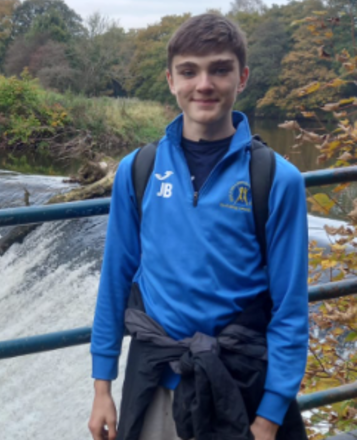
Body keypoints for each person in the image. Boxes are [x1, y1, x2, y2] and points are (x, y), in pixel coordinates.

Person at [87, 13, 308, 440]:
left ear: (241, 77)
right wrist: (102, 387)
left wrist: (269, 417)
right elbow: (115, 280)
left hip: (242, 387)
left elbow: (290, 309)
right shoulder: (139, 170)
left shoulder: (277, 180)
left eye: (219, 69)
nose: (203, 84)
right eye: (189, 71)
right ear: (170, 80)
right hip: (154, 383)